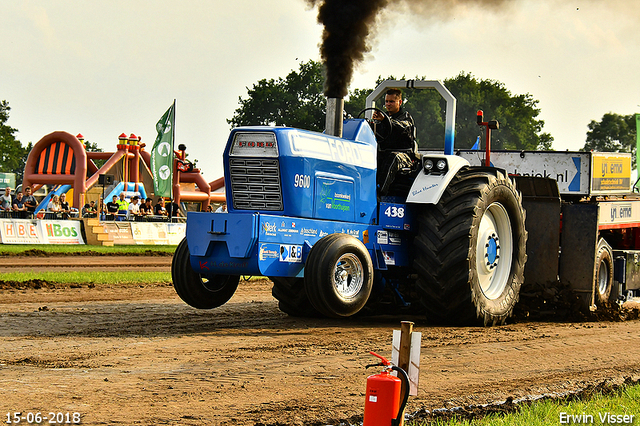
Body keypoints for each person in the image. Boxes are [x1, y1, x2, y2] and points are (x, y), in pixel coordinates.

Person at [371, 88, 418, 195]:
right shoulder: (381, 120)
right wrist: (371, 125)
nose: (388, 104)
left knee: (394, 157)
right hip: (385, 153)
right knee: (371, 155)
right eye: (387, 101)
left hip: (405, 156)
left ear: (399, 102)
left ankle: (378, 192)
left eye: (392, 101)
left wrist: (385, 120)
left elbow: (401, 128)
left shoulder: (406, 118)